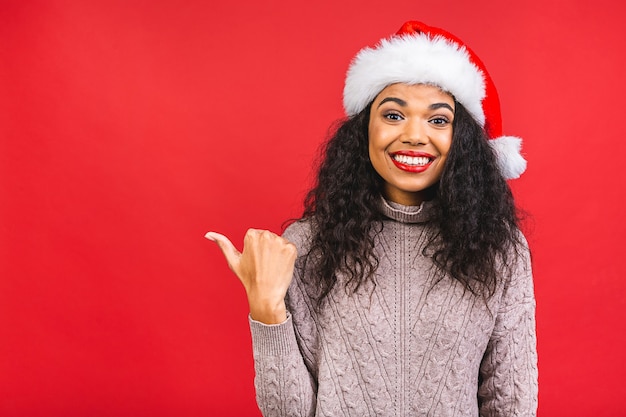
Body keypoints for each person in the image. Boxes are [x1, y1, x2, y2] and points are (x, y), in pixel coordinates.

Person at [206, 20, 538, 417]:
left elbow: (511, 402)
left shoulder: (499, 248)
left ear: (463, 142)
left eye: (437, 120)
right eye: (394, 115)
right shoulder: (309, 245)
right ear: (365, 130)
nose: (415, 135)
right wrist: (265, 308)